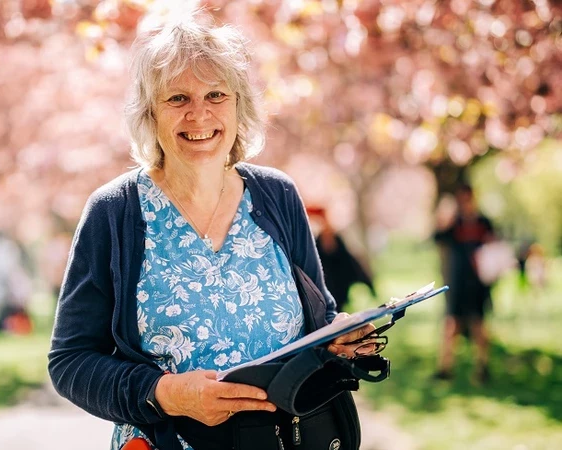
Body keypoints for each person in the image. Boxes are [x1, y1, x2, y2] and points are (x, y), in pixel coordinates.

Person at [48, 15, 378, 450]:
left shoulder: (277, 195)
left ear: (239, 105)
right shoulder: (115, 212)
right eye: (178, 97)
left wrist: (339, 338)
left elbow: (317, 320)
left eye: (216, 95)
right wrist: (165, 394)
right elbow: (70, 361)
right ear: (151, 112)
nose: (198, 114)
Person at [433, 184, 494, 384]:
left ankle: (483, 367)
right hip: (457, 282)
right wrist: (444, 219)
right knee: (452, 325)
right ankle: (445, 367)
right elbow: (437, 237)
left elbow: (494, 247)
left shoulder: (484, 222)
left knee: (479, 325)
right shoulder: (455, 223)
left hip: (477, 285)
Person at [306, 207, 376, 312]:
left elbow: (354, 265)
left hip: (338, 288)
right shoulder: (314, 245)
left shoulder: (339, 246)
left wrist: (369, 285)